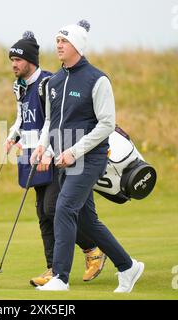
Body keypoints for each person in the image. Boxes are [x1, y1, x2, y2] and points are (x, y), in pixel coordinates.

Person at [31, 20, 145, 292]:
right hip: (64, 160)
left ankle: (60, 277)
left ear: (78, 46)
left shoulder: (97, 79)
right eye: (57, 40)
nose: (58, 45)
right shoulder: (54, 81)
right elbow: (52, 122)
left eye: (64, 41)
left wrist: (74, 151)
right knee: (86, 220)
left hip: (90, 158)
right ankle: (128, 266)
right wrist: (43, 147)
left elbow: (106, 124)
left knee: (64, 208)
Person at [5, 31, 107, 287]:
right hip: (33, 155)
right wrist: (12, 137)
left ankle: (92, 249)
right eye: (11, 60)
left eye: (17, 60)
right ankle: (52, 268)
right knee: (43, 212)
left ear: (30, 60)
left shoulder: (48, 82)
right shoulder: (19, 86)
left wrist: (48, 153)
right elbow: (22, 117)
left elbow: (56, 123)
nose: (14, 64)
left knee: (55, 210)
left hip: (56, 155)